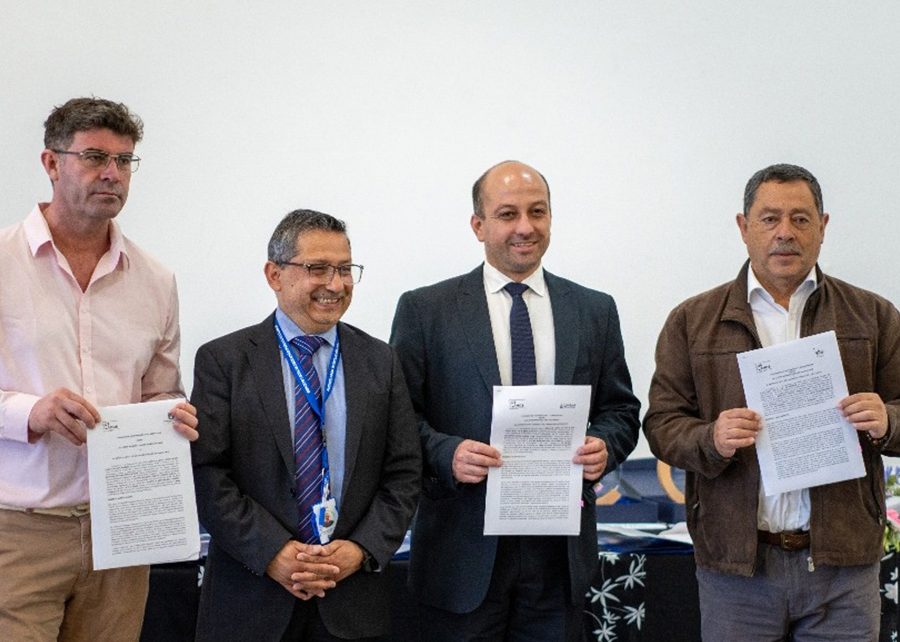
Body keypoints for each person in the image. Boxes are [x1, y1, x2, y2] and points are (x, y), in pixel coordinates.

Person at [643, 163, 900, 641]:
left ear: (823, 226)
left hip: (843, 569)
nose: (785, 232)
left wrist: (888, 420)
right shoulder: (693, 320)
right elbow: (661, 423)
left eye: (801, 219)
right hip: (737, 571)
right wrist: (711, 438)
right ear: (744, 227)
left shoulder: (873, 315)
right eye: (769, 219)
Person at [390, 160, 641, 641]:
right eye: (507, 214)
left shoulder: (593, 309)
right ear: (478, 225)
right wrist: (447, 453)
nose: (525, 227)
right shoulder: (425, 310)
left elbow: (621, 411)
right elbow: (397, 419)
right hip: (461, 552)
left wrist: (604, 446)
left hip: (558, 557)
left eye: (537, 212)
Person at [0, 97, 199, 641]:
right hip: (18, 529)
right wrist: (29, 412)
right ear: (51, 163)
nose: (112, 173)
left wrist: (173, 416)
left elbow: (161, 391)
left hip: (124, 530)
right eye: (94, 157)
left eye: (124, 160)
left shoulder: (155, 279)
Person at [191, 209, 421, 641]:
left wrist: (361, 549)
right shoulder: (224, 361)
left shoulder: (380, 361)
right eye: (318, 268)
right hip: (251, 598)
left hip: (351, 599)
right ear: (274, 275)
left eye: (345, 269)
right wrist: (272, 552)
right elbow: (206, 472)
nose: (335, 284)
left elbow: (404, 473)